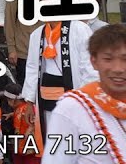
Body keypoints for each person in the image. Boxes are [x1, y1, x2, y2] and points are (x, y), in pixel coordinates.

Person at [44, 23, 126, 164]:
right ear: (94, 61)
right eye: (108, 59)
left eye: (125, 59)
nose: (118, 68)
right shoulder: (72, 108)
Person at [19, 16, 96, 146]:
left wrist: (86, 99)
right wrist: (29, 103)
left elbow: (90, 67)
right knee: (53, 140)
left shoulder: (79, 29)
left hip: (76, 95)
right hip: (46, 98)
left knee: (78, 141)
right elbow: (32, 68)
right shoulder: (37, 34)